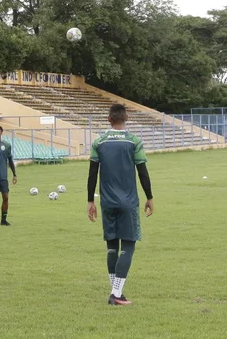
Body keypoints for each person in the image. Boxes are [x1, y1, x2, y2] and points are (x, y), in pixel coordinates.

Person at [87, 104, 154, 306]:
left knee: (111, 246)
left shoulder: (99, 142)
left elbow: (92, 173)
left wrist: (91, 200)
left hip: (107, 202)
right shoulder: (134, 142)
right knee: (128, 245)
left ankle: (116, 291)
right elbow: (142, 171)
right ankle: (116, 294)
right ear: (127, 117)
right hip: (127, 202)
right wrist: (149, 197)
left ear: (109, 119)